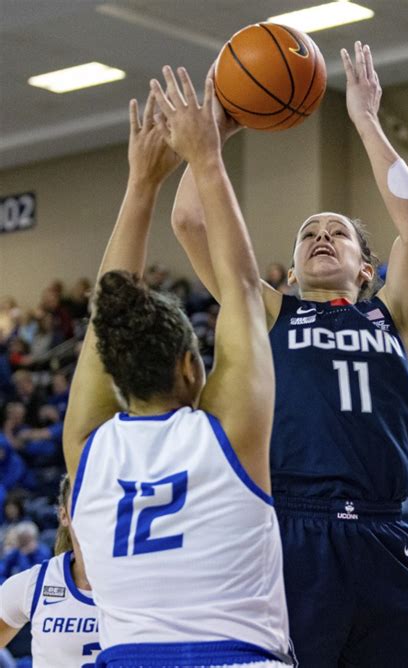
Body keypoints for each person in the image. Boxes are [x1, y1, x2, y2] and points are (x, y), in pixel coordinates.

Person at [170, 42, 408, 666]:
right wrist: (219, 126)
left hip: (382, 527)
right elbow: (190, 223)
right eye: (308, 235)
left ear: (367, 267)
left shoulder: (391, 313)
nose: (321, 237)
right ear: (291, 270)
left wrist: (366, 120)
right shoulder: (269, 310)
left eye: (338, 232)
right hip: (294, 525)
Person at [63, 72, 291, 668]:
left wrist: (142, 184)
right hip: (234, 657)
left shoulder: (87, 448)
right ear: (192, 367)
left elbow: (102, 318)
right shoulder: (230, 435)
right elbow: (243, 289)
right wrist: (207, 163)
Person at [0, 475, 100, 667]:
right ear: (64, 515)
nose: (93, 507)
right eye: (82, 496)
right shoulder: (36, 583)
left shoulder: (146, 583)